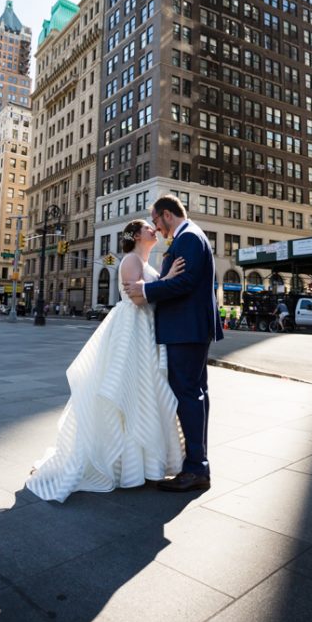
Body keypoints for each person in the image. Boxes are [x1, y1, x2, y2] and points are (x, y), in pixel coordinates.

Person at [26, 219, 186, 503]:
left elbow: (150, 294)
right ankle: (119, 465)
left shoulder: (147, 261)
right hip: (131, 331)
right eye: (149, 228)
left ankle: (143, 464)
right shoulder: (130, 260)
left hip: (145, 331)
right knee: (125, 391)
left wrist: (165, 279)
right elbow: (138, 298)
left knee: (144, 393)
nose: (154, 230)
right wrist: (168, 278)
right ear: (137, 235)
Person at [125, 195, 224, 493]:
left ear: (167, 215)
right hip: (187, 329)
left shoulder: (190, 237)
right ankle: (196, 463)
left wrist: (145, 287)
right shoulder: (188, 237)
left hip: (187, 330)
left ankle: (196, 469)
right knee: (194, 393)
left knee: (188, 395)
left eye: (155, 220)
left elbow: (185, 283)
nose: (156, 227)